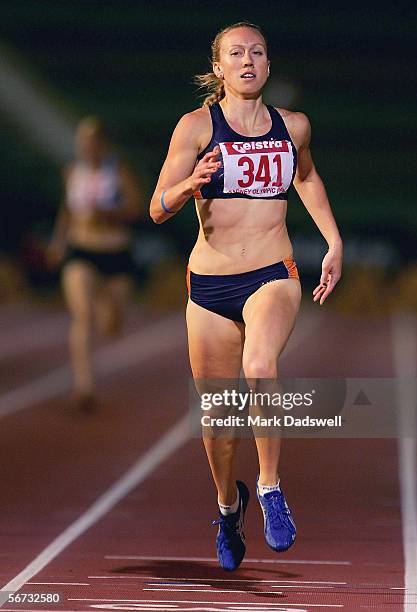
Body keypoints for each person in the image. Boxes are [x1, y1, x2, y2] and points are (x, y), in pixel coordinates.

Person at [150, 22, 342, 571]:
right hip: (208, 286)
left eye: (257, 52)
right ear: (219, 68)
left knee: (261, 364)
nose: (248, 61)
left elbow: (305, 178)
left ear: (267, 63)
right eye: (236, 53)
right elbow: (157, 207)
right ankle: (228, 506)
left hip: (272, 273)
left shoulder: (293, 126)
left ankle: (270, 488)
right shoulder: (195, 128)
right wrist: (189, 184)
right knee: (219, 422)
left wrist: (333, 240)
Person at [48, 116, 143, 411]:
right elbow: (67, 210)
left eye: (92, 141)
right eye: (82, 141)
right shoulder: (72, 172)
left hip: (114, 252)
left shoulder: (119, 171)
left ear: (103, 143)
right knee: (83, 316)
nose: (86, 147)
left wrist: (105, 214)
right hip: (81, 250)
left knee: (111, 325)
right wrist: (58, 242)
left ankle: (104, 297)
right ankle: (84, 387)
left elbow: (136, 208)